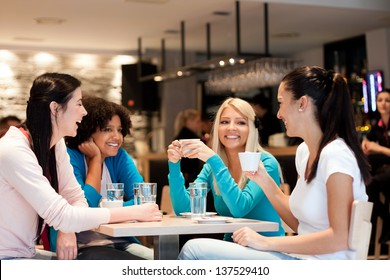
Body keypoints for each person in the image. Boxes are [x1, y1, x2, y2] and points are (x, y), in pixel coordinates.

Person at [178, 66, 371, 260]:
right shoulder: (304, 152)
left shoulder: (336, 154)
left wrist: (265, 242)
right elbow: (299, 225)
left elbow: (340, 238)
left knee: (194, 250)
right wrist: (264, 180)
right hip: (300, 259)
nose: (278, 114)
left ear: (302, 103)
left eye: (281, 103)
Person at [0, 73, 162, 260]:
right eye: (78, 103)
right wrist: (134, 211)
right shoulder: (13, 151)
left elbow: (76, 199)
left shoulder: (54, 145)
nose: (84, 112)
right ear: (55, 109)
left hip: (26, 254)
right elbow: (63, 215)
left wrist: (69, 223)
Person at [167, 97, 285, 246]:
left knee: (193, 248)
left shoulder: (265, 163)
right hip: (232, 247)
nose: (231, 127)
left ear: (251, 128)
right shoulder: (212, 166)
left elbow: (239, 208)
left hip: (265, 248)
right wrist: (174, 164)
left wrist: (214, 160)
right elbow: (183, 209)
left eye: (241, 122)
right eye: (224, 122)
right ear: (217, 128)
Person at [48, 96, 153, 260]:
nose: (117, 137)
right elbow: (81, 210)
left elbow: (144, 201)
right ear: (88, 131)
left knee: (158, 260)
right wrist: (95, 161)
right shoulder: (69, 157)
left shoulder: (119, 157)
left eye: (119, 130)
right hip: (79, 246)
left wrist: (104, 209)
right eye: (107, 129)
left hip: (120, 242)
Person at [361, 89, 390, 244]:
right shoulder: (377, 124)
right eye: (380, 100)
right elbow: (366, 142)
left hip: (387, 170)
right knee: (367, 183)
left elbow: (377, 148)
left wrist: (377, 148)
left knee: (372, 183)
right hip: (383, 170)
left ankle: (387, 221)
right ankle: (387, 219)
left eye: (387, 100)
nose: (383, 104)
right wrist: (365, 145)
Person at [173, 108, 203, 186]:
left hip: (181, 178)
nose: (200, 125)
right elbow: (189, 164)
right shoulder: (190, 138)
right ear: (189, 122)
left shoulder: (179, 136)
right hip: (189, 180)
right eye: (197, 121)